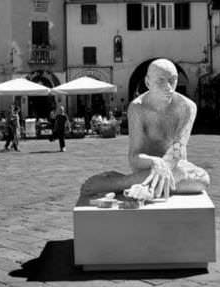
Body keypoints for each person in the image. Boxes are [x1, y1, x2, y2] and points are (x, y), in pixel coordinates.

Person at [81, 58, 209, 198]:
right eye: (161, 81)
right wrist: (155, 162)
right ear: (148, 82)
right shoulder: (138, 108)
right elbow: (134, 157)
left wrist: (163, 167)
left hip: (175, 167)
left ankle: (120, 182)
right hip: (145, 167)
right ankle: (149, 186)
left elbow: (177, 149)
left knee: (202, 180)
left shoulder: (187, 107)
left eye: (173, 80)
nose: (169, 87)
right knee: (188, 177)